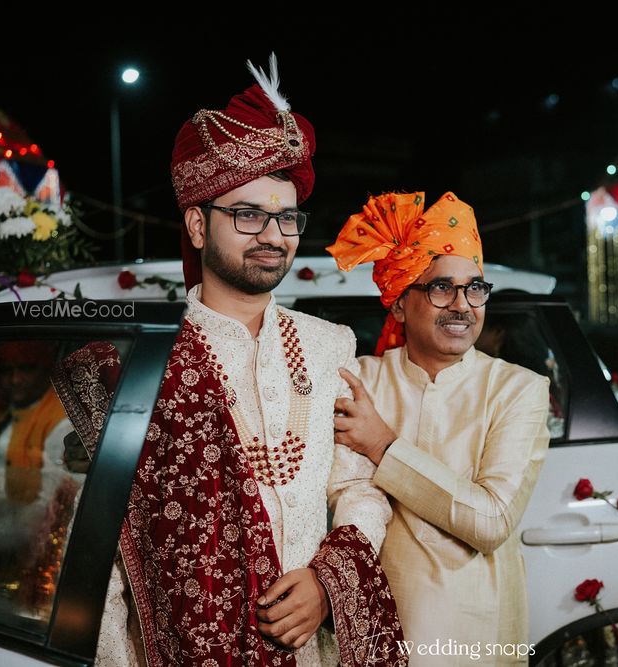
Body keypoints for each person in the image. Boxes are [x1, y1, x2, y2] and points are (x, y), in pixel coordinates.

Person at [54, 57, 405, 667]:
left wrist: (327, 582)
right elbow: (110, 547)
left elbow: (358, 487)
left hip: (308, 649)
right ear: (196, 223)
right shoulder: (141, 365)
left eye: (287, 217)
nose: (273, 234)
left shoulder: (330, 346)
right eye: (248, 214)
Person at [326, 191, 551, 664]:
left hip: (476, 637)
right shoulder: (358, 380)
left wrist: (384, 447)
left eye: (475, 289)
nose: (463, 305)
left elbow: (491, 521)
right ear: (400, 305)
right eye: (441, 288)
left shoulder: (517, 389)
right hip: (374, 631)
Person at [0, 341, 79, 608]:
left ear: (46, 368)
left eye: (26, 369)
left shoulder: (61, 421)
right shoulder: (7, 409)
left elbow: (44, 512)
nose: (15, 379)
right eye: (6, 370)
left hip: (26, 561)